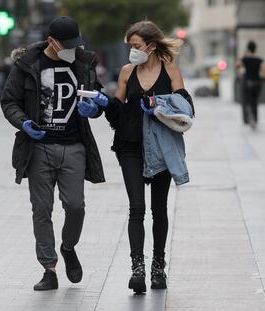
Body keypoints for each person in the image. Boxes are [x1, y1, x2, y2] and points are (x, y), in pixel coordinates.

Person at [0, 16, 106, 291]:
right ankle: (49, 268)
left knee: (75, 206)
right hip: (39, 149)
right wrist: (23, 122)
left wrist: (94, 108)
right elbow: (9, 100)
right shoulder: (26, 65)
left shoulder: (84, 63)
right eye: (66, 45)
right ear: (51, 42)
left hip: (74, 147)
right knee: (42, 209)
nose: (72, 49)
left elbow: (96, 96)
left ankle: (68, 247)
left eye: (75, 44)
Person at [94, 21, 194, 293]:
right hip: (130, 145)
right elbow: (118, 115)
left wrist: (158, 106)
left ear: (150, 45)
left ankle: (158, 266)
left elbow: (186, 109)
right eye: (130, 47)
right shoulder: (127, 72)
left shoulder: (170, 69)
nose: (132, 51)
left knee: (158, 208)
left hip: (161, 146)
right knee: (136, 208)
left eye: (136, 46)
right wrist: (104, 105)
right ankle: (137, 268)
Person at [236, 41, 265, 130]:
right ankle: (255, 119)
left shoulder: (245, 59)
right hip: (257, 83)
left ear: (248, 49)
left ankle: (250, 116)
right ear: (255, 49)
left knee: (247, 101)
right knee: (254, 102)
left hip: (247, 83)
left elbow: (238, 66)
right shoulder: (259, 60)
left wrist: (244, 55)